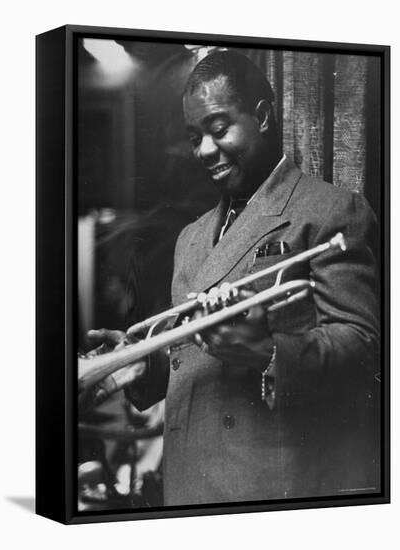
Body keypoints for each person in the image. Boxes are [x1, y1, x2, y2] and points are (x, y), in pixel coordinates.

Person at [85, 50, 380, 506]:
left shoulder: (331, 211)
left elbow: (364, 351)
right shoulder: (191, 237)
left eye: (219, 129)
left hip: (264, 488)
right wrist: (145, 365)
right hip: (186, 486)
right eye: (194, 136)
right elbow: (194, 358)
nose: (204, 149)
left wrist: (266, 350)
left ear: (261, 117)